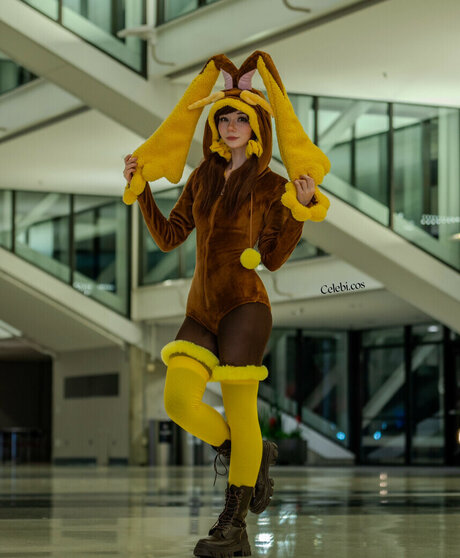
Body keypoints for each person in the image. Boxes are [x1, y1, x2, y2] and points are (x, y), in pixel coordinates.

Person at [123, 51, 330, 558]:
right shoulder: (202, 177)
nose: (231, 125)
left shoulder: (272, 185)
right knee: (178, 401)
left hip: (245, 307)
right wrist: (141, 189)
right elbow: (170, 236)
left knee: (241, 410)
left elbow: (273, 258)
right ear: (214, 125)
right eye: (224, 118)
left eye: (241, 118)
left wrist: (300, 209)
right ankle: (252, 455)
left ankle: (232, 526)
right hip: (200, 309)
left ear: (257, 125)